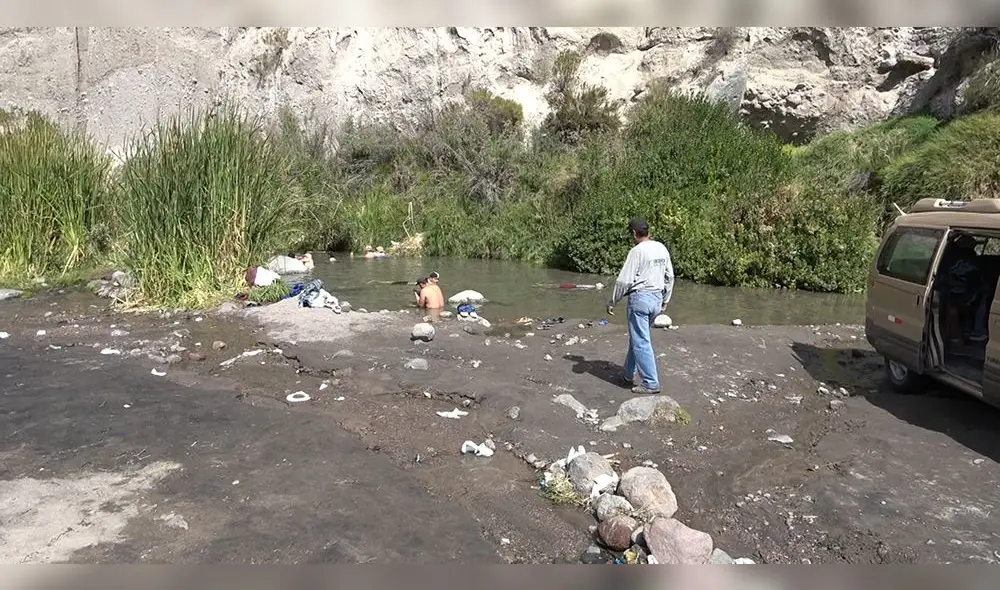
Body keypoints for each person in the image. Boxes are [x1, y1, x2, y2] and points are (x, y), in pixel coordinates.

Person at [606, 218, 674, 394]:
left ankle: (651, 382)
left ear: (634, 234)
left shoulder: (637, 251)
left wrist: (613, 301)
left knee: (641, 341)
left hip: (640, 299)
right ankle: (628, 375)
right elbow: (670, 276)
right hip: (656, 298)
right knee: (638, 338)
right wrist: (665, 300)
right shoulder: (661, 248)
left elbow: (624, 281)